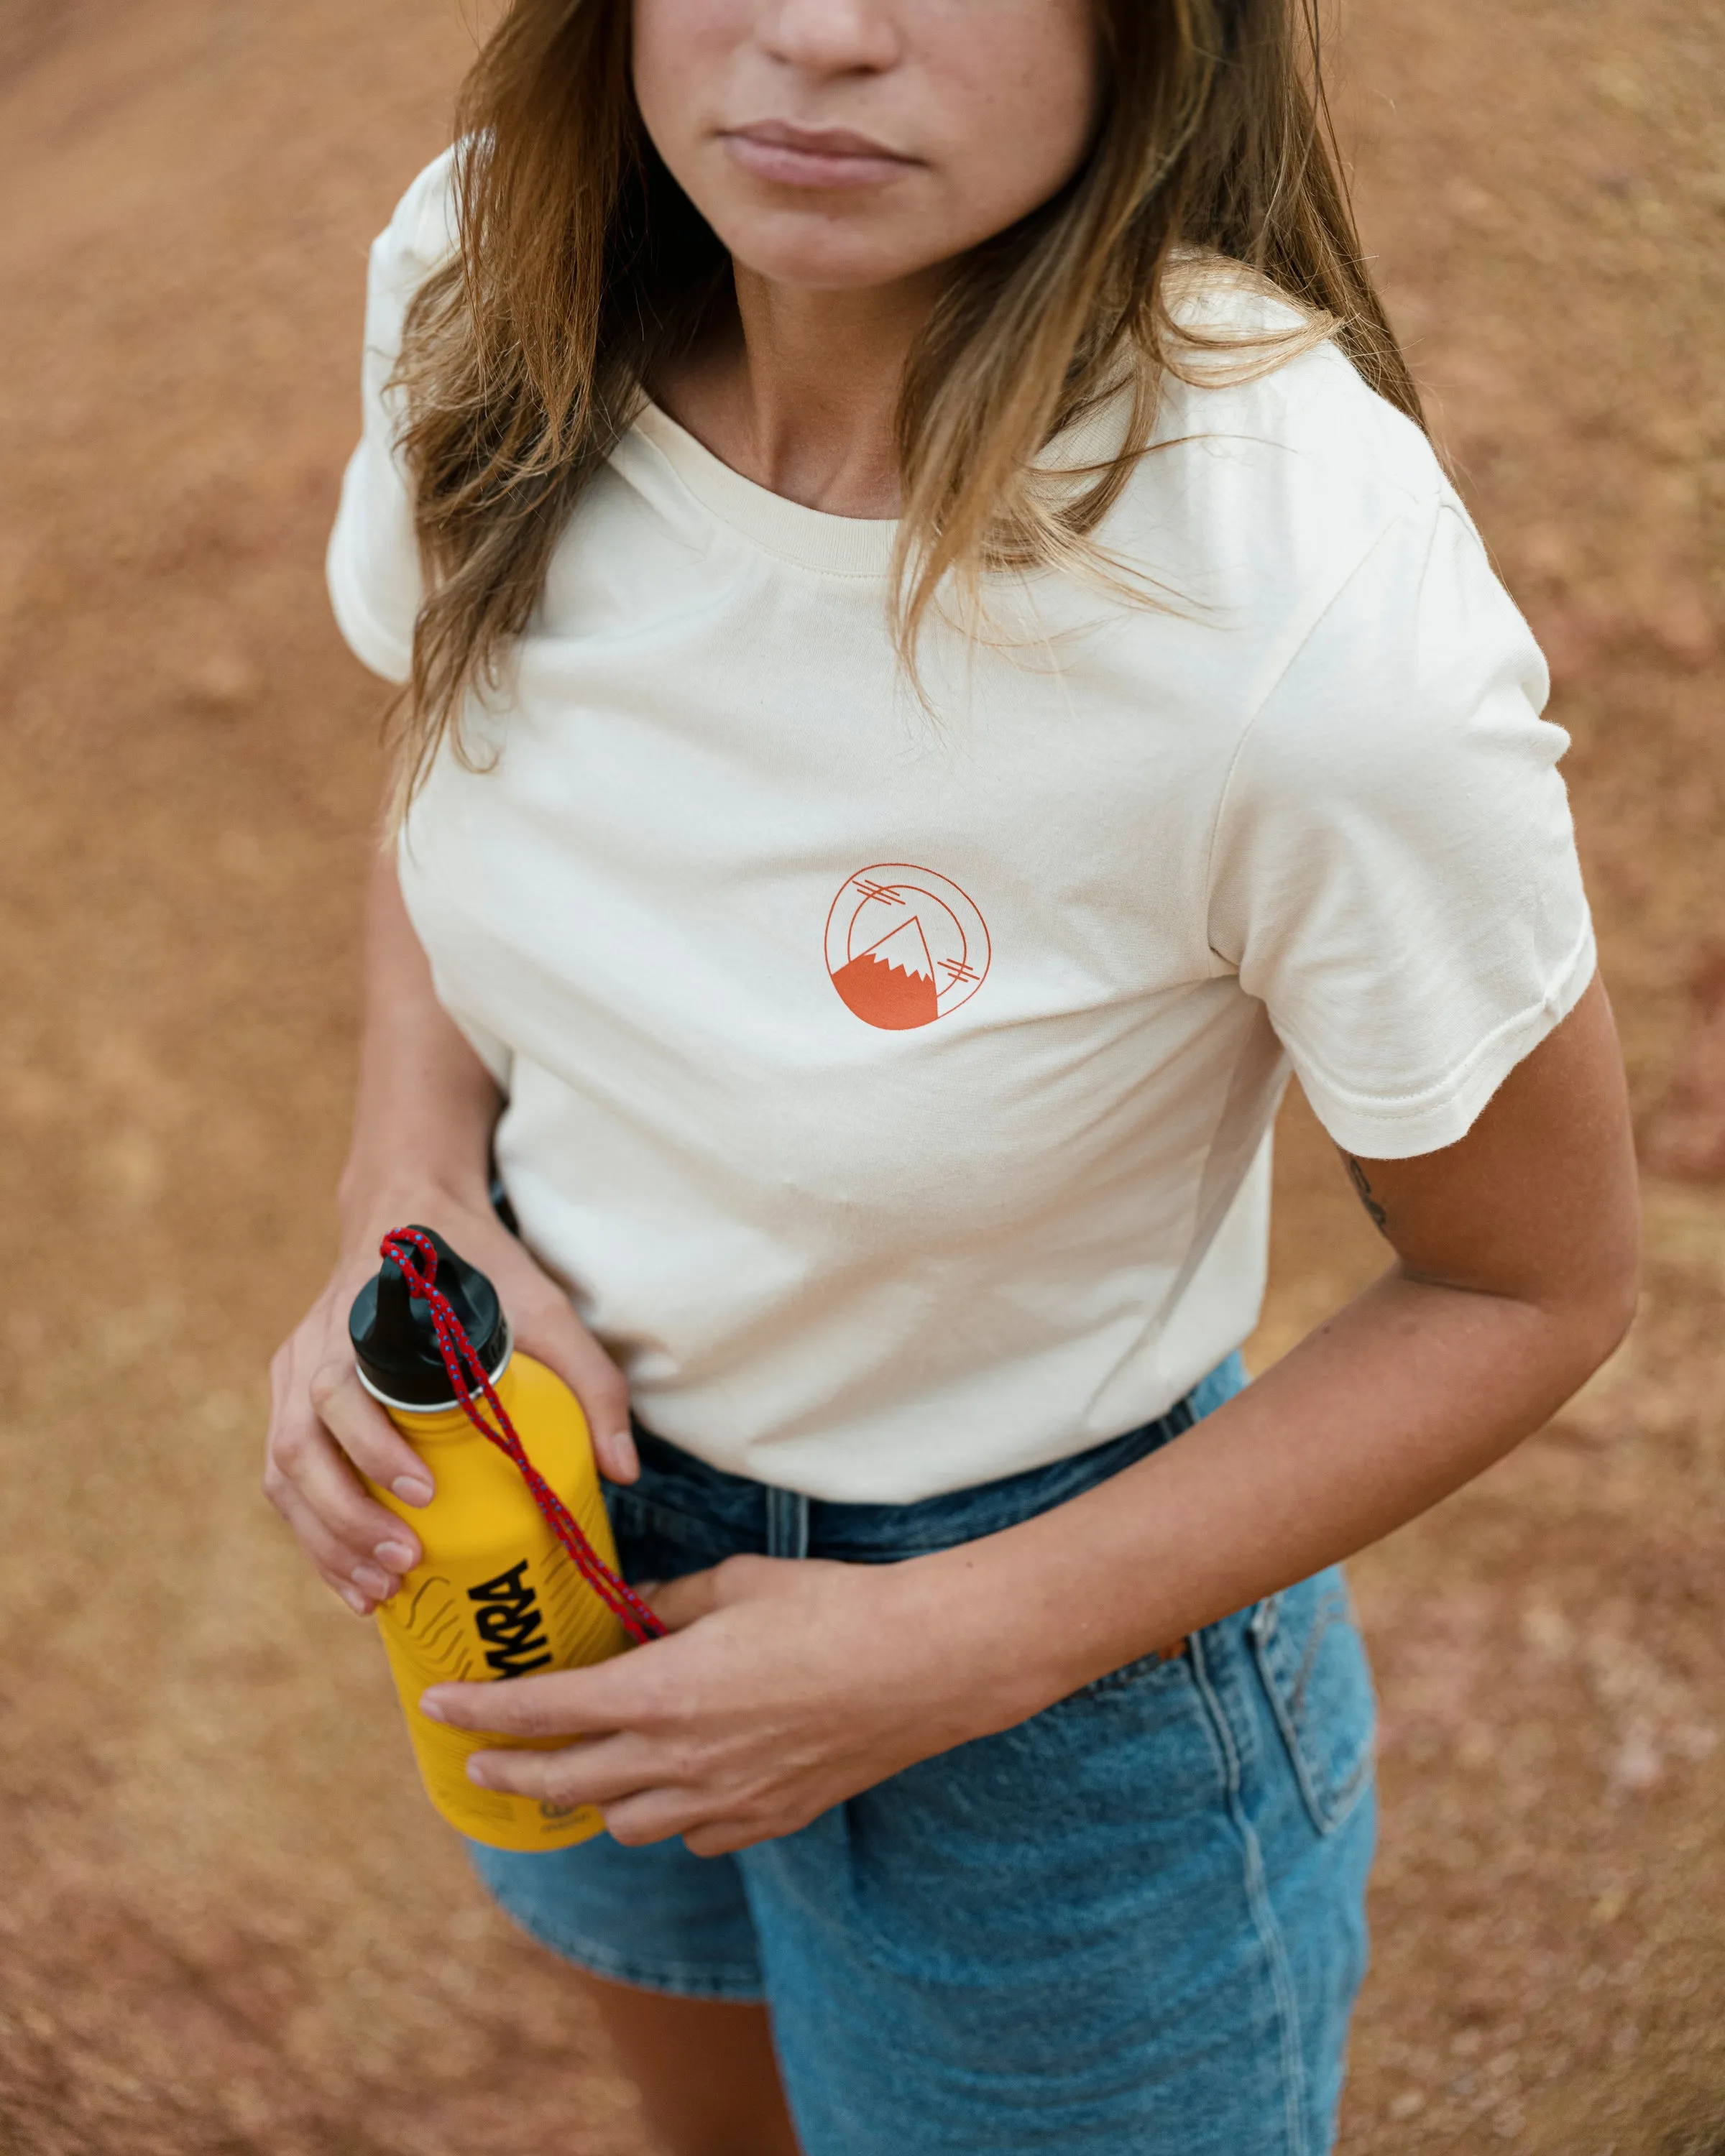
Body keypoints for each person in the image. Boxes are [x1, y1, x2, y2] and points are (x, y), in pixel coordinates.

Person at [264, 3, 1640, 2150]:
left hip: (1051, 1708)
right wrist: (408, 1192)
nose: (818, 34)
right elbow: (461, 775)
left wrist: (955, 1651)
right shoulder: (484, 278)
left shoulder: (1302, 617)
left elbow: (1533, 1285)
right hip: (540, 1523)